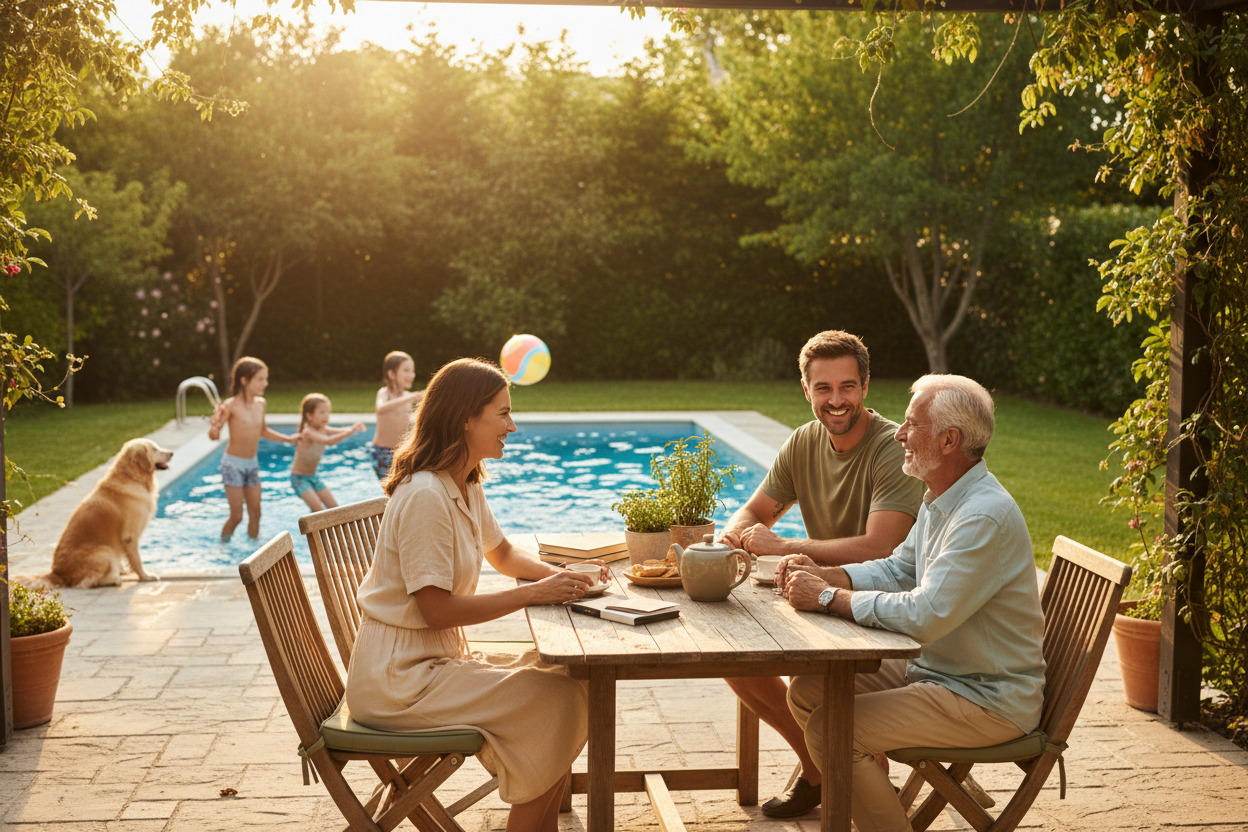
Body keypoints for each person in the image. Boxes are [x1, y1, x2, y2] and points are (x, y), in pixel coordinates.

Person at [345, 357, 607, 832]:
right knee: (557, 701)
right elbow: (437, 610)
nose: (512, 424)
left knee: (574, 677)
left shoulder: (462, 481)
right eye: (502, 413)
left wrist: (566, 577)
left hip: (431, 667)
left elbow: (502, 553)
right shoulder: (426, 495)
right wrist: (537, 594)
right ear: (467, 416)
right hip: (399, 683)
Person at [778, 374, 1046, 832]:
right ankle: (871, 795)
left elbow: (924, 615)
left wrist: (827, 597)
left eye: (910, 424)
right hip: (945, 670)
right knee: (807, 690)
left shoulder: (980, 516)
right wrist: (831, 574)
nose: (899, 434)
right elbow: (899, 569)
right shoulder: (942, 497)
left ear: (948, 440)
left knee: (831, 731)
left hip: (985, 696)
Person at [717, 330, 926, 817]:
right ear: (806, 391)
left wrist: (784, 545)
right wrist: (740, 539)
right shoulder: (803, 442)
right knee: (734, 657)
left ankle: (858, 779)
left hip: (884, 605)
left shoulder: (891, 448)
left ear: (866, 387)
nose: (836, 400)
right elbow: (750, 515)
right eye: (824, 388)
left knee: (815, 675)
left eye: (847, 387)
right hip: (818, 594)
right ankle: (818, 769)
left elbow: (883, 547)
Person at [207, 357, 299, 540]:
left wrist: (289, 438)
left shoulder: (260, 404)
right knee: (237, 516)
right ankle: (223, 548)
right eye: (260, 379)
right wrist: (215, 426)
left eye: (265, 379)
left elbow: (262, 430)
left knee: (256, 514)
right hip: (232, 465)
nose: (265, 383)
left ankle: (253, 553)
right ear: (244, 380)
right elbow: (213, 435)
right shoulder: (230, 406)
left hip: (252, 464)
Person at [290, 393, 366, 512]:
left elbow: (341, 431)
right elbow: (328, 441)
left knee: (335, 510)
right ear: (309, 415)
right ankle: (315, 530)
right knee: (318, 511)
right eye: (321, 412)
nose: (326, 416)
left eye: (327, 412)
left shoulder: (323, 429)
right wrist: (349, 431)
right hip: (299, 479)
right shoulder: (308, 432)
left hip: (313, 477)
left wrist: (354, 428)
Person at [373, 350, 424, 480]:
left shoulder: (407, 396)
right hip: (383, 453)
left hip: (401, 452)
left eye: (412, 371)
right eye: (406, 370)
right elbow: (381, 408)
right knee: (394, 489)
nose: (411, 375)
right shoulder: (385, 393)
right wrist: (411, 397)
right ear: (392, 374)